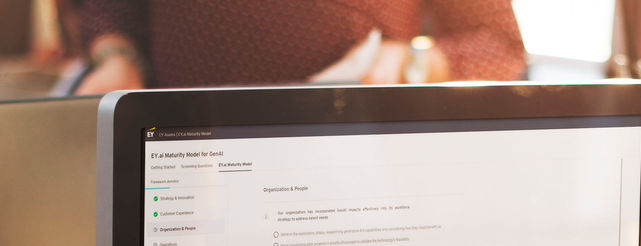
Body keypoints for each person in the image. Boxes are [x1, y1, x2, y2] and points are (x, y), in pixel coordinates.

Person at [72, 0, 525, 93]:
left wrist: (416, 63)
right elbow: (114, 8)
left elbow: (500, 45)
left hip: (354, 168)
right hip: (181, 156)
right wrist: (118, 58)